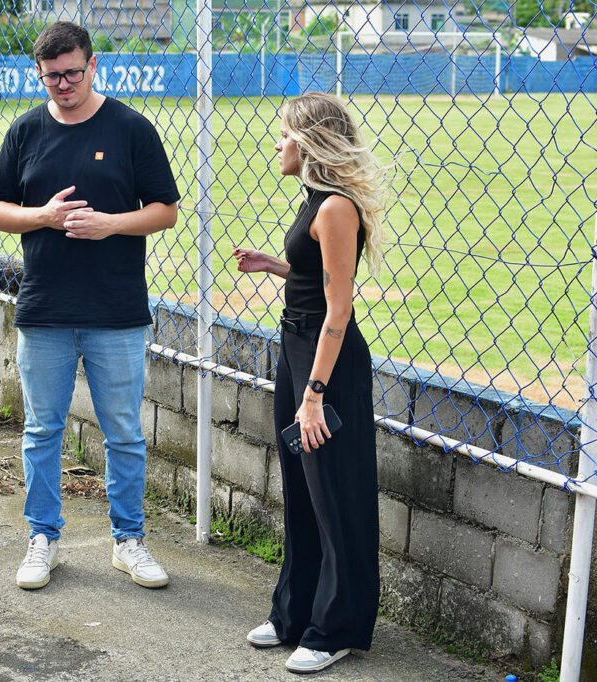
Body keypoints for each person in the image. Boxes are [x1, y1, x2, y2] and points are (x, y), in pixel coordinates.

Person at [0, 21, 180, 591]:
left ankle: (129, 541)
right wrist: (42, 216)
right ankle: (42, 537)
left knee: (122, 431)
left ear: (94, 66)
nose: (63, 85)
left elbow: (165, 210)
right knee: (42, 429)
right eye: (51, 77)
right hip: (44, 308)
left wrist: (110, 226)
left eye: (72, 73)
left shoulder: (130, 128)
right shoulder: (25, 131)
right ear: (38, 75)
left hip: (116, 310)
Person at [231, 92, 388, 674]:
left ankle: (337, 627)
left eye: (285, 135)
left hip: (327, 366)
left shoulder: (336, 208)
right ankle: (295, 612)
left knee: (334, 496)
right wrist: (274, 264)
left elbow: (338, 309)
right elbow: (315, 273)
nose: (277, 144)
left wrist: (315, 395)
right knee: (300, 489)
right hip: (296, 351)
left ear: (311, 142)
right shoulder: (315, 201)